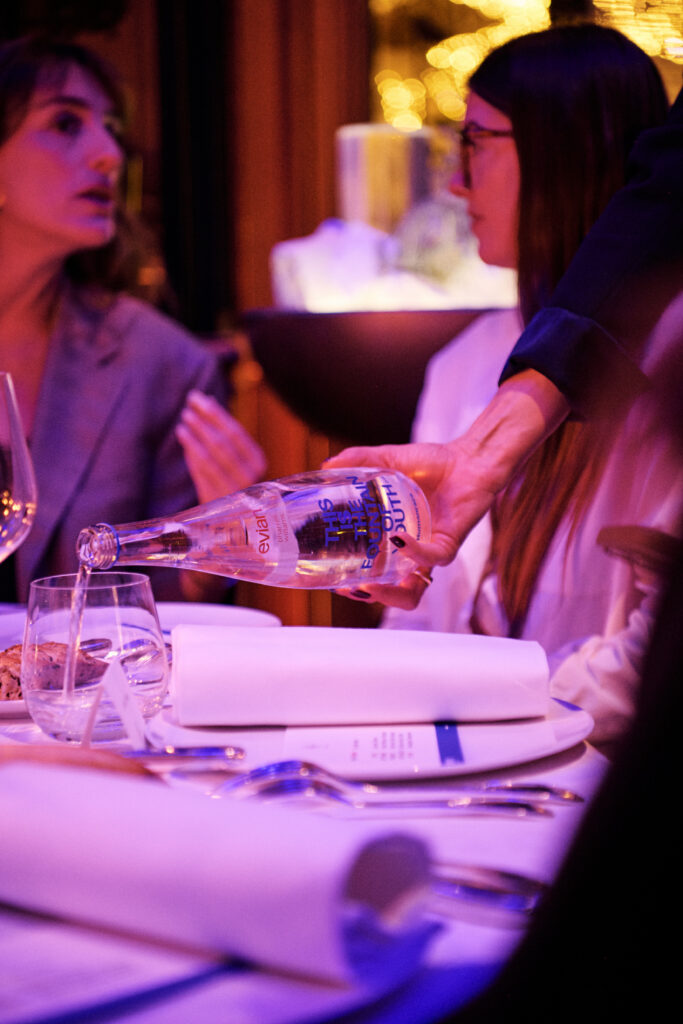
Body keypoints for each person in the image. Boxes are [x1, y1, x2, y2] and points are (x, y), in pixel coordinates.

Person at [337, 25, 679, 752]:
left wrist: (489, 712)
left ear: (568, 150)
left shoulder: (669, 366)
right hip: (467, 761)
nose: (455, 184)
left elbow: (653, 658)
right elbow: (417, 625)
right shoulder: (465, 360)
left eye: (474, 143)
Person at [0, 36, 265, 603]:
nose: (109, 155)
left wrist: (218, 550)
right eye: (66, 123)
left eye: (110, 130)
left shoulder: (161, 363)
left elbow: (168, 607)